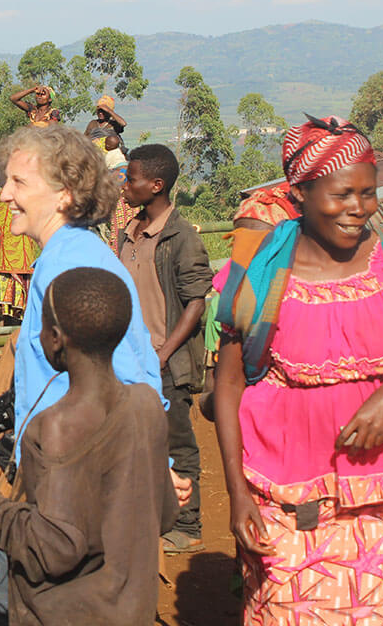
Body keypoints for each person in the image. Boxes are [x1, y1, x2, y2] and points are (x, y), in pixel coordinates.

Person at [215, 115, 383, 625]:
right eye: (343, 194)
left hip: (382, 495)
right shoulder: (259, 271)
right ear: (299, 193)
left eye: (368, 194)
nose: (358, 209)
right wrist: (237, 495)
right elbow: (229, 382)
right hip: (284, 497)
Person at [0, 125, 176, 626]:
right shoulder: (65, 255)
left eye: (18, 182)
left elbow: (125, 372)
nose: (6, 194)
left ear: (63, 194)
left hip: (67, 477)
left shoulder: (72, 265)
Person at [0, 267, 177, 625]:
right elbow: (166, 513)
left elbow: (54, 548)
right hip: (129, 610)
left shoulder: (54, 427)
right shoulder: (146, 405)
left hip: (60, 614)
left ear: (55, 338)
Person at [117, 144, 212, 555]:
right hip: (129, 360)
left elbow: (195, 301)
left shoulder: (181, 237)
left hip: (165, 363)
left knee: (177, 444)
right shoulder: (128, 232)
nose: (125, 184)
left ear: (156, 185)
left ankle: (187, 526)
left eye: (131, 178)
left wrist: (163, 353)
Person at [0, 166, 39, 324]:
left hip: (8, 238)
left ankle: (11, 316)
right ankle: (14, 317)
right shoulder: (16, 187)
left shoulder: (4, 185)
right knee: (13, 274)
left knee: (12, 274)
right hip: (11, 237)